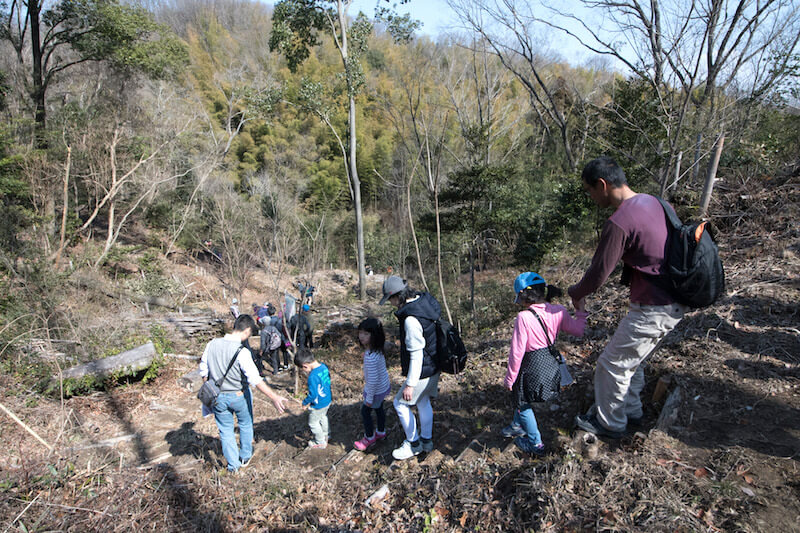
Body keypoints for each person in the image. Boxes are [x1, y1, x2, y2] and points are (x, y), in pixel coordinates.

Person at [569, 156, 688, 438]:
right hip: (673, 300)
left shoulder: (620, 221)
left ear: (602, 185)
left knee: (611, 364)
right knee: (633, 362)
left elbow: (598, 274)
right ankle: (631, 412)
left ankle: (610, 423)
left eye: (590, 190)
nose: (591, 197)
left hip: (653, 307)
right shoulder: (657, 203)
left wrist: (575, 294)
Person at [503, 272, 587, 454]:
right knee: (522, 396)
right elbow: (578, 330)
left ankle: (535, 444)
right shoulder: (558, 311)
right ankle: (517, 425)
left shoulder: (524, 318)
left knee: (522, 402)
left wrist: (510, 378)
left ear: (524, 296)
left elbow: (517, 353)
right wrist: (580, 310)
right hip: (550, 362)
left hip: (531, 365)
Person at [198, 314, 288, 471]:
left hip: (217, 397)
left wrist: (211, 388)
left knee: (225, 431)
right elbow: (255, 379)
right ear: (246, 330)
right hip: (239, 395)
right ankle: (245, 455)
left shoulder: (212, 344)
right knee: (245, 424)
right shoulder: (242, 352)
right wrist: (274, 396)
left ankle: (233, 466)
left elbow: (204, 371)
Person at [380, 275, 441, 460]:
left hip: (422, 371)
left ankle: (413, 444)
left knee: (400, 404)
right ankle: (427, 440)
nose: (390, 303)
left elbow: (416, 354)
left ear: (397, 297)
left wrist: (410, 384)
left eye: (389, 299)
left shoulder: (411, 320)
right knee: (423, 402)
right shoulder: (424, 302)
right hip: (434, 366)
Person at [353, 318, 391, 451]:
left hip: (375, 391)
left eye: (366, 334)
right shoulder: (376, 351)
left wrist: (369, 399)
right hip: (383, 387)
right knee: (379, 409)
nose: (361, 336)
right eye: (361, 333)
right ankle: (381, 431)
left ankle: (369, 438)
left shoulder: (371, 357)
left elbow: (373, 380)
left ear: (374, 336)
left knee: (365, 412)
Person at [295, 348, 332, 449]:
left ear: (305, 365)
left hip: (318, 404)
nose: (304, 371)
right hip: (327, 399)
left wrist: (305, 402)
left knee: (313, 423)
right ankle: (326, 434)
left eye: (303, 369)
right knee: (323, 417)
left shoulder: (313, 376)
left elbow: (313, 395)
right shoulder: (324, 367)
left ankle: (320, 441)